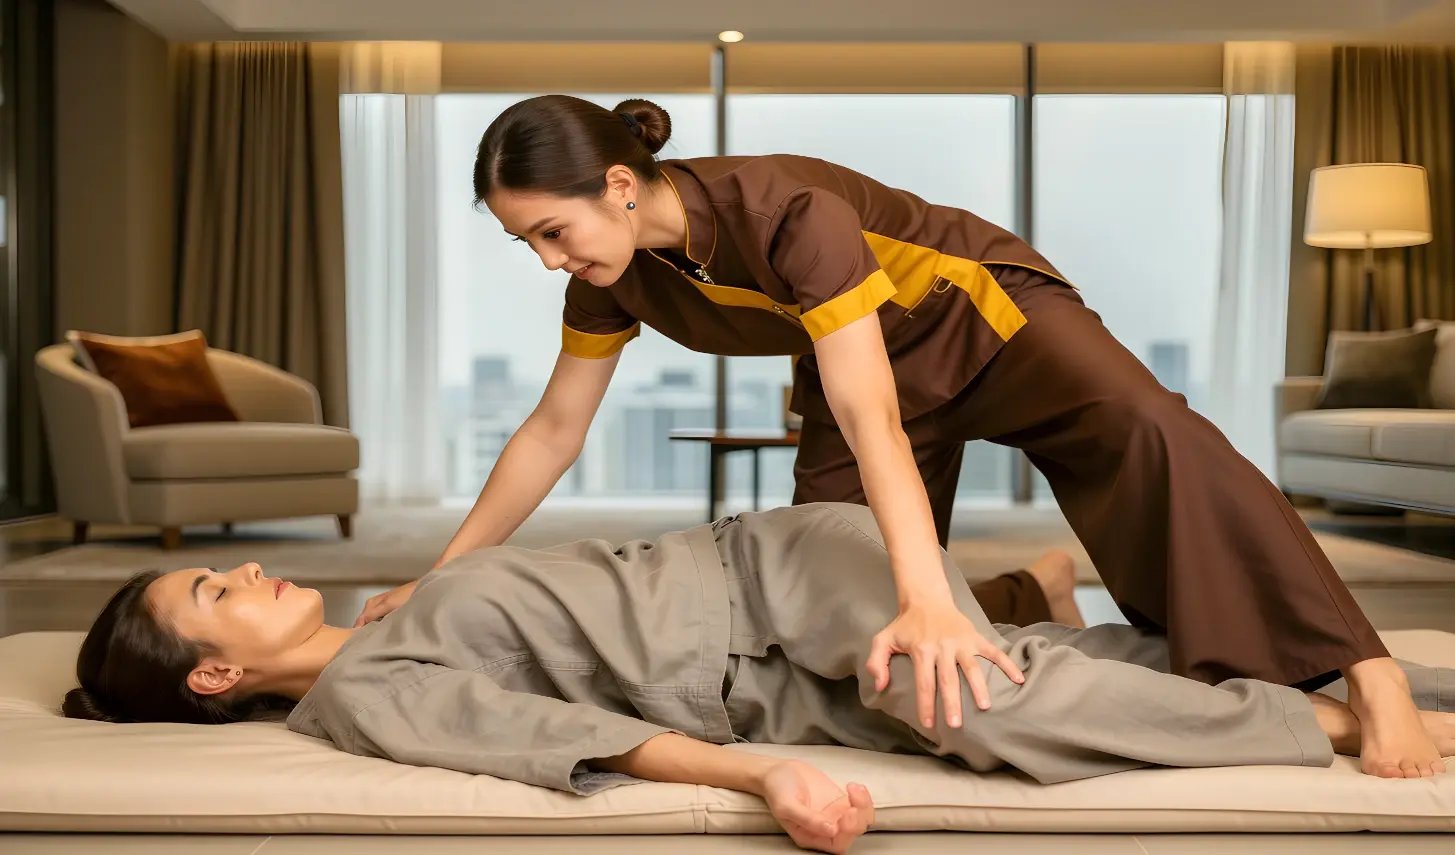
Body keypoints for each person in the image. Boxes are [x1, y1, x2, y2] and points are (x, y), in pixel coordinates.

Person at [353, 94, 1440, 776]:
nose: (546, 258)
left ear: (621, 186)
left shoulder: (785, 212)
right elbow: (552, 431)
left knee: (1154, 433)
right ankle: (1032, 598)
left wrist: (930, 590)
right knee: (836, 584)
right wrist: (443, 575)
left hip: (987, 321)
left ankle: (1365, 668)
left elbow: (876, 408)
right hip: (852, 368)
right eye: (524, 243)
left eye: (551, 230)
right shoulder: (616, 276)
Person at [65, 504, 1454, 854]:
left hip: (775, 575)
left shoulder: (392, 609)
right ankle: (1039, 596)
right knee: (1037, 678)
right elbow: (569, 733)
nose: (245, 577)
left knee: (971, 699)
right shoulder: (365, 695)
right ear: (208, 676)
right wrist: (759, 769)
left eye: (226, 570)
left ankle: (1337, 705)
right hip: (783, 683)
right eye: (214, 592)